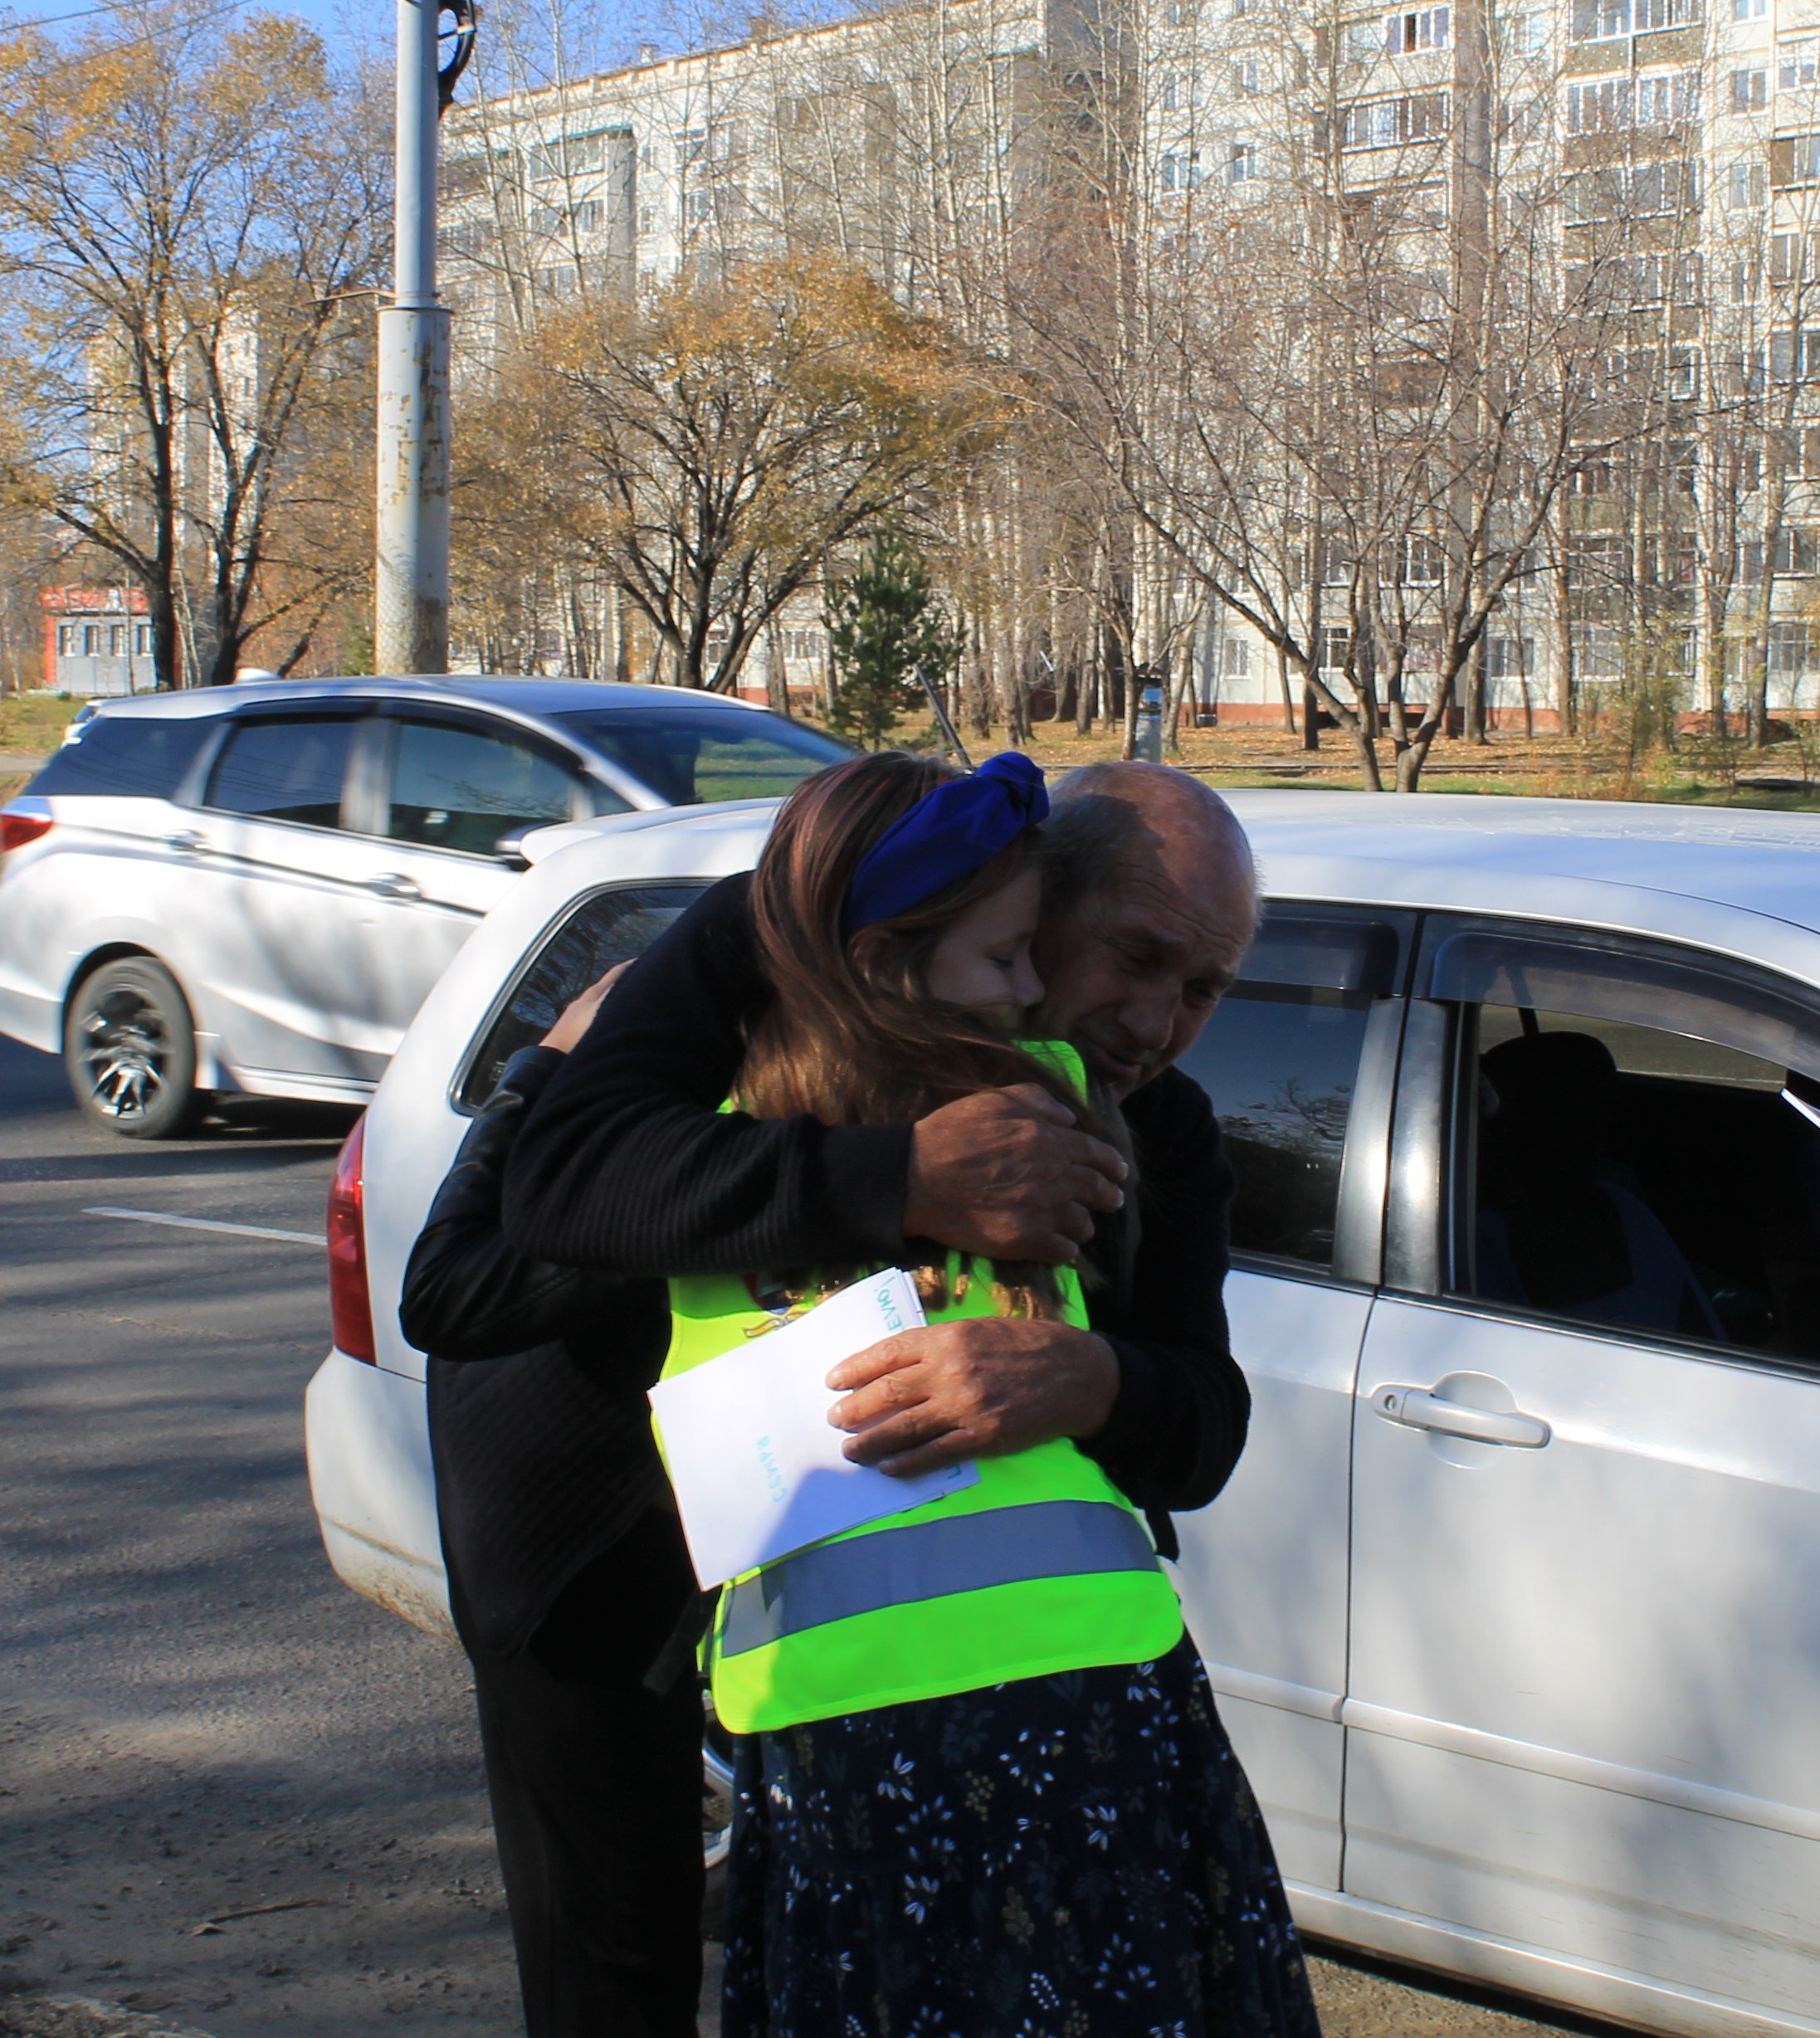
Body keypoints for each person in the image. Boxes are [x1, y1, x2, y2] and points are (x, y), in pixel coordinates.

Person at [506, 752, 1312, 2037]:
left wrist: (1089, 1380)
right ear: (1022, 909)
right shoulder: (736, 1050)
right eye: (1139, 957)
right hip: (750, 1688)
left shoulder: (1156, 1129)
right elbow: (506, 1243)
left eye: (1205, 988)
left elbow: (1202, 1426)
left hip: (1092, 1713)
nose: (1160, 1020)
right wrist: (903, 1180)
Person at [398, 963, 701, 2038]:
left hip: (615, 1527)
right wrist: (542, 1068)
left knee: (636, 1924)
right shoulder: (687, 1088)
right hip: (567, 1560)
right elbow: (446, 1286)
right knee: (617, 1944)